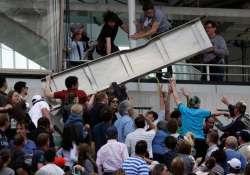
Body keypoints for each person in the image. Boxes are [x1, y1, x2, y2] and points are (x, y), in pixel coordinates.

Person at [169, 79, 222, 158]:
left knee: (187, 160)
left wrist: (173, 86)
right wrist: (224, 113)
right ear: (198, 104)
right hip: (200, 140)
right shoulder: (202, 112)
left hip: (187, 140)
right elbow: (215, 113)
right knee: (200, 161)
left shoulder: (184, 110)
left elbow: (176, 98)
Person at [130, 2, 172, 79]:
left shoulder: (158, 14)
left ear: (153, 10)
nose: (150, 14)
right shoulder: (144, 16)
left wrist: (139, 36)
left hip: (165, 31)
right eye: (148, 13)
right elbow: (144, 29)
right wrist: (138, 27)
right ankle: (159, 74)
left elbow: (153, 30)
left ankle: (169, 72)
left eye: (151, 12)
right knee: (157, 53)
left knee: (165, 51)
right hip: (156, 34)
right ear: (145, 12)